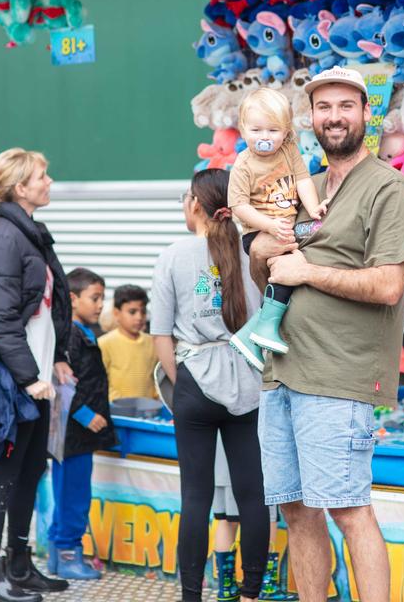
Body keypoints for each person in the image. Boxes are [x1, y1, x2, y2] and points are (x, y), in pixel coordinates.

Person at [253, 67, 404, 602]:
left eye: (346, 106)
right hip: (280, 371)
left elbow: (389, 285)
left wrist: (308, 273)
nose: (334, 117)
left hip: (338, 376)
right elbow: (271, 270)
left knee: (349, 509)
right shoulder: (305, 190)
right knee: (297, 513)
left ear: (366, 116)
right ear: (311, 119)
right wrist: (260, 254)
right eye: (324, 108)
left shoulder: (389, 188)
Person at [151, 168, 269, 602]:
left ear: (195, 205)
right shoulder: (252, 251)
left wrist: (185, 382)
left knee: (196, 498)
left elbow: (161, 335)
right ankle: (251, 593)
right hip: (248, 381)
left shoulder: (174, 255)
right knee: (253, 495)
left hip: (195, 382)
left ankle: (190, 595)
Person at [0, 148, 72, 602]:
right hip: (15, 379)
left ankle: (21, 565)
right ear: (20, 188)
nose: (49, 181)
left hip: (36, 374)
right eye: (42, 176)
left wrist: (59, 357)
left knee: (29, 471)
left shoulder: (29, 234)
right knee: (5, 472)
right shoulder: (2, 238)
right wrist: (29, 378)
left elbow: (48, 309)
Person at [228, 87, 326, 367]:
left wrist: (314, 206)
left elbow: (303, 179)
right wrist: (269, 225)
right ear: (243, 129)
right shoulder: (243, 164)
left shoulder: (288, 151)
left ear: (285, 131)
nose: (264, 138)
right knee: (287, 270)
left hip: (285, 227)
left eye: (272, 130)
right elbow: (239, 206)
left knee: (292, 272)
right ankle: (261, 330)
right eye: (256, 130)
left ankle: (252, 335)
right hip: (258, 231)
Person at [48, 268, 116, 580]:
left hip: (76, 437)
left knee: (69, 492)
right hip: (74, 434)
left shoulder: (84, 332)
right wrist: (87, 416)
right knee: (73, 495)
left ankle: (57, 554)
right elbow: (63, 386)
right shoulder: (70, 336)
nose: (100, 305)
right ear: (73, 299)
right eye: (94, 298)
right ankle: (66, 554)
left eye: (102, 298)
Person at [98, 284, 157, 401]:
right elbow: (100, 381)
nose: (139, 317)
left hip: (148, 410)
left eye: (143, 312)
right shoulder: (104, 343)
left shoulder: (153, 343)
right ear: (116, 313)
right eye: (132, 312)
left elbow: (156, 377)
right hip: (117, 411)